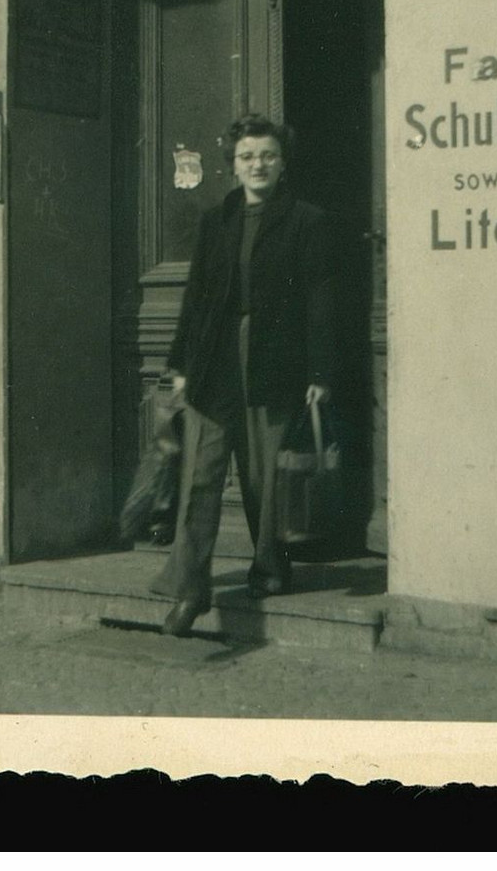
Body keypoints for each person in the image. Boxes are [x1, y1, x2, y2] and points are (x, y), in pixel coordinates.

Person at [150, 115, 336, 636]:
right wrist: (181, 365)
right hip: (215, 359)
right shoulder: (217, 219)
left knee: (264, 478)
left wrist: (319, 370)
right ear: (233, 165)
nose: (258, 165)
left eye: (268, 156)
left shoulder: (305, 220)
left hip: (274, 359)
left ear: (283, 162)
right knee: (201, 476)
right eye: (248, 156)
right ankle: (189, 589)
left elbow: (320, 299)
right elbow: (197, 296)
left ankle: (270, 567)